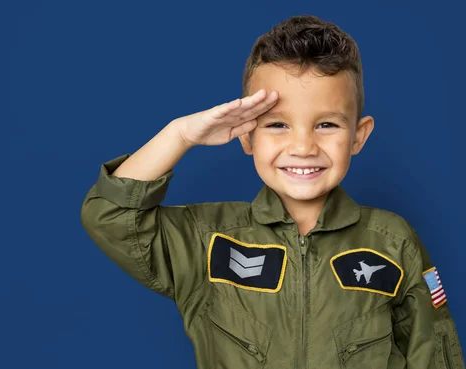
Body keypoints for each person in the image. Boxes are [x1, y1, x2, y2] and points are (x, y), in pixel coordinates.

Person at [80, 14, 464, 369]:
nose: (303, 146)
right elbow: (110, 215)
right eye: (278, 125)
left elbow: (435, 355)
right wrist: (181, 135)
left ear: (358, 137)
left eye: (327, 124)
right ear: (246, 135)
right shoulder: (208, 242)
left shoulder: (393, 243)